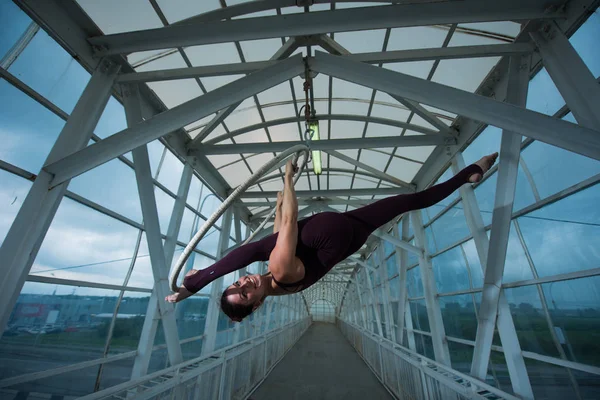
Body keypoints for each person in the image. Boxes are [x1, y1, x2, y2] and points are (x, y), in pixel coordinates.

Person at [166, 152, 499, 323]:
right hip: (332, 234)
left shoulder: (274, 280)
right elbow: (291, 220)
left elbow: (282, 225)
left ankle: (470, 173)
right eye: (246, 294)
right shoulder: (279, 273)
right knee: (259, 248)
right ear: (257, 305)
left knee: (409, 201)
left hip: (347, 233)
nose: (245, 284)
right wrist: (288, 179)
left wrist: (283, 195)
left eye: (237, 285)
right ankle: (199, 281)